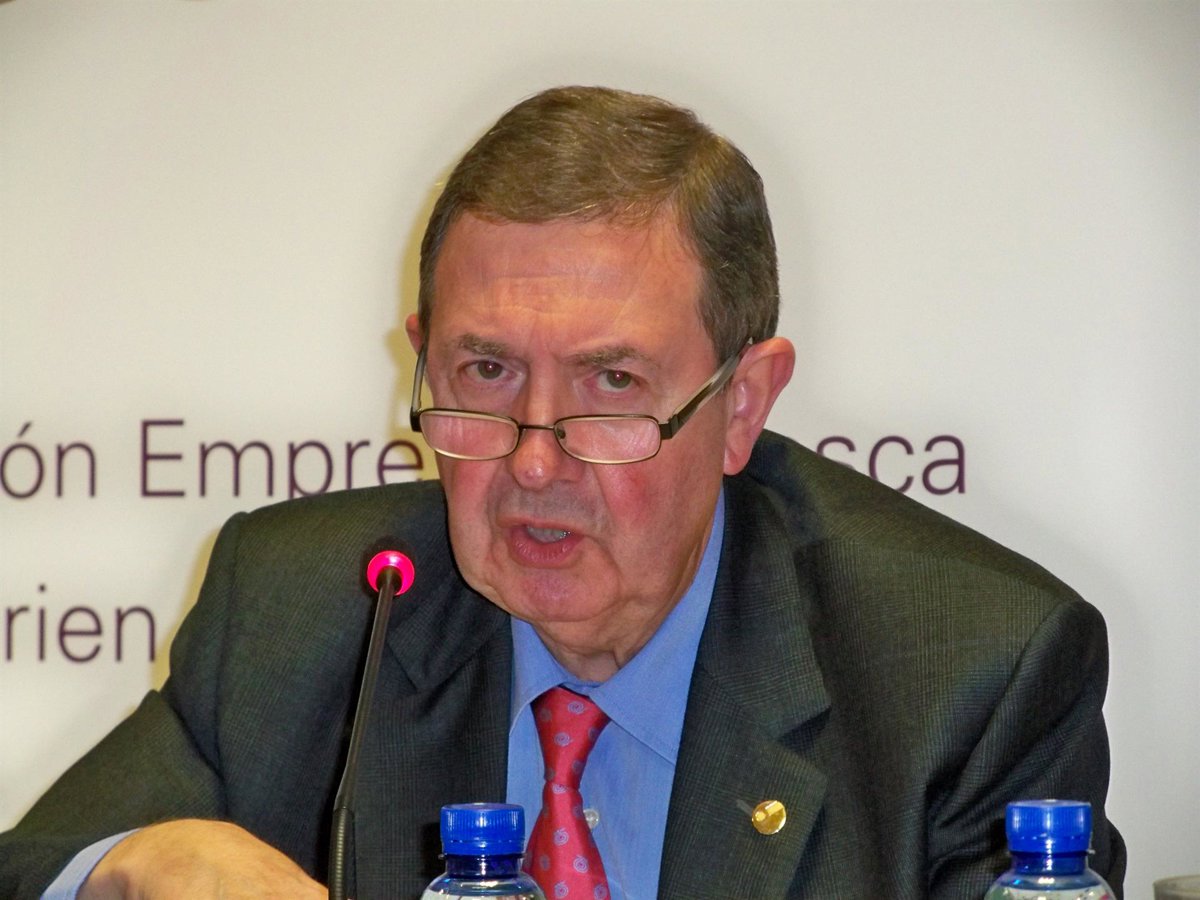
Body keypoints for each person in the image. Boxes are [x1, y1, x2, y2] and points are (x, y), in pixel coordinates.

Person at [0, 85, 1125, 899]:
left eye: (612, 384)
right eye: (486, 373)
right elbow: (31, 867)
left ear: (742, 405)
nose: (534, 463)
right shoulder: (301, 612)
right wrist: (134, 862)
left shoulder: (966, 672)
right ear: (422, 357)